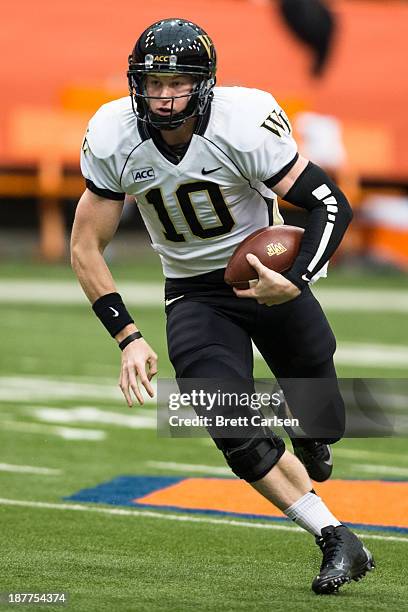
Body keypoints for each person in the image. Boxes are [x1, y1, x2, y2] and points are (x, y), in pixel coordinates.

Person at [71, 18, 375, 594]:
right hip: (193, 290)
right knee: (224, 415)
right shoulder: (113, 134)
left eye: (178, 82)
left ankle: (313, 433)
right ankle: (335, 536)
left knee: (324, 414)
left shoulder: (243, 121)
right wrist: (128, 336)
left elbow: (330, 203)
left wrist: (298, 277)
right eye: (152, 82)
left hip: (268, 273)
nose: (163, 95)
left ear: (204, 82)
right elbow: (86, 244)